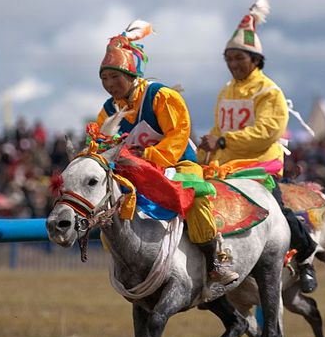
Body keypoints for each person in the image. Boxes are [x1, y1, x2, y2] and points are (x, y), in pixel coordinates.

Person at [95, 20, 238, 290]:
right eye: (104, 78)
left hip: (179, 162)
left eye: (115, 76)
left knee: (193, 197)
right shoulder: (107, 110)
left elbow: (178, 134)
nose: (109, 84)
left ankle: (215, 264)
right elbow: (102, 145)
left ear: (132, 74)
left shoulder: (161, 96)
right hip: (136, 171)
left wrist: (149, 155)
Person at [198, 0, 318, 293]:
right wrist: (205, 148)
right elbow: (219, 128)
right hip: (226, 166)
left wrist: (223, 140)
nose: (233, 64)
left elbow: (268, 131)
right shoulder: (225, 91)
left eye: (239, 58)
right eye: (229, 59)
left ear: (256, 60)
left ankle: (306, 255)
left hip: (261, 164)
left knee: (277, 212)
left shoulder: (269, 91)